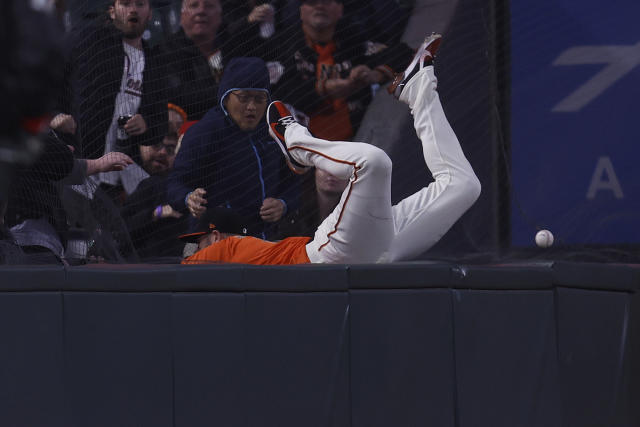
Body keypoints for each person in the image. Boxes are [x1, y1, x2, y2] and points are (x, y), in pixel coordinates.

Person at [183, 34, 482, 264]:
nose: (198, 244)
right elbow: (186, 259)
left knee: (447, 182)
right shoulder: (213, 255)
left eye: (202, 239)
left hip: (354, 251)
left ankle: (419, 92)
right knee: (393, 167)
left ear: (217, 235)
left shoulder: (227, 251)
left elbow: (187, 256)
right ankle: (297, 142)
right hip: (327, 259)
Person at [167, 56, 300, 240]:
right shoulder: (205, 132)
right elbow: (174, 184)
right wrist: (189, 198)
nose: (252, 107)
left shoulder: (273, 132)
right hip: (215, 243)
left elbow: (292, 183)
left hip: (266, 241)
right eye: (244, 98)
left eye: (259, 98)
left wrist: (283, 204)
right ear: (226, 97)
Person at [264, 0, 413, 141]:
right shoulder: (284, 45)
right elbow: (278, 92)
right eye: (312, 1)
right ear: (301, 10)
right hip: (306, 145)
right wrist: (323, 89)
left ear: (340, 9)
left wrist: (374, 74)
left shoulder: (353, 38)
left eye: (328, 1)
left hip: (362, 135)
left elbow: (402, 53)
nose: (320, 6)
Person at [162, 0, 240, 121]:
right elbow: (178, 95)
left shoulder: (233, 45)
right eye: (194, 5)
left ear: (220, 15)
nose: (201, 11)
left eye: (209, 6)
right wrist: (229, 91)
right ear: (182, 16)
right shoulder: (167, 49)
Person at [121, 132, 189, 259]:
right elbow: (120, 230)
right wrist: (157, 212)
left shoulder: (188, 187)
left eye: (170, 149)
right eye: (156, 145)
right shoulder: (151, 184)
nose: (163, 152)